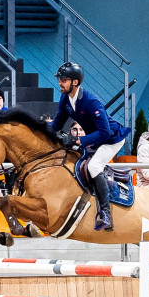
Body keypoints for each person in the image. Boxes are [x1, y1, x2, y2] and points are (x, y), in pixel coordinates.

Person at [52, 62, 130, 232]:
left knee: (94, 166)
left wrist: (78, 141)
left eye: (63, 80)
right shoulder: (66, 99)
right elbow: (56, 123)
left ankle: (106, 214)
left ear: (75, 82)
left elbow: (105, 132)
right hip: (95, 140)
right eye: (59, 79)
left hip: (112, 139)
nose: (60, 82)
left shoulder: (91, 101)